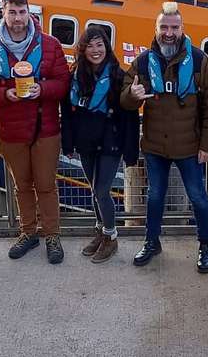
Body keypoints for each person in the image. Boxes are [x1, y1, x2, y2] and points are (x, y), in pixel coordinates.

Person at [121, 2, 208, 273]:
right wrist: (132, 96)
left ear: (182, 29)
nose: (169, 32)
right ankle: (151, 242)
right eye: (164, 27)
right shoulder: (142, 62)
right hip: (154, 146)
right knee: (155, 197)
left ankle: (206, 246)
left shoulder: (201, 61)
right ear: (156, 29)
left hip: (190, 147)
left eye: (174, 27)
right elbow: (124, 98)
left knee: (199, 198)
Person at [0, 0, 70, 263]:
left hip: (45, 129)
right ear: (3, 13)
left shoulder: (50, 45)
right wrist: (5, 95)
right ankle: (28, 232)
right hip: (12, 130)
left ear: (30, 14)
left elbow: (63, 83)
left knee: (47, 185)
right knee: (22, 186)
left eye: (22, 12)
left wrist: (42, 88)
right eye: (12, 12)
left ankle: (52, 235)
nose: (17, 18)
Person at [61, 27, 140, 263]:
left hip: (111, 142)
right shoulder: (74, 76)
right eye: (90, 46)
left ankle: (111, 236)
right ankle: (100, 229)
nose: (95, 51)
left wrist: (130, 151)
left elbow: (130, 117)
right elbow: (67, 113)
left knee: (101, 190)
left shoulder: (119, 77)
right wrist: (68, 144)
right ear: (82, 50)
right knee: (94, 190)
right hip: (85, 141)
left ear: (107, 47)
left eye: (100, 45)